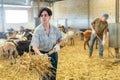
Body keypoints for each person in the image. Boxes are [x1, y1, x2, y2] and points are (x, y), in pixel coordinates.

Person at [30, 7, 63, 80]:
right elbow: (34, 46)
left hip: (53, 54)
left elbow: (61, 39)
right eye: (41, 15)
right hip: (42, 55)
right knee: (43, 76)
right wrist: (40, 55)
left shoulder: (55, 29)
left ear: (50, 17)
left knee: (53, 75)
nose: (43, 17)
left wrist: (58, 45)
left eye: (45, 15)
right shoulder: (37, 30)